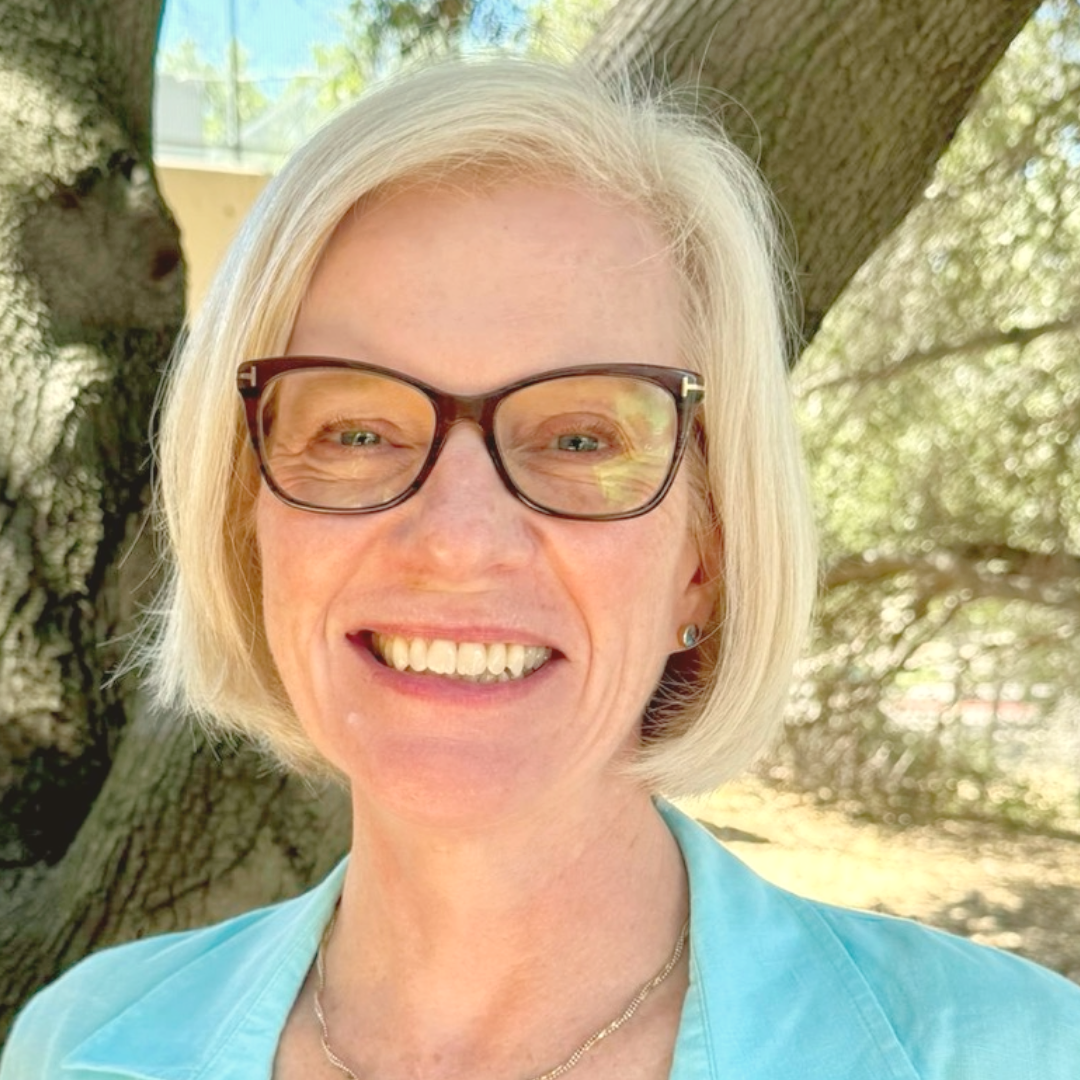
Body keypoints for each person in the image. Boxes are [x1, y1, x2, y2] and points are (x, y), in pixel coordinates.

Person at [2, 56, 1078, 1080]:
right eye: (356, 432)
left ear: (703, 563)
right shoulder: (80, 1045)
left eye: (581, 440)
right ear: (249, 528)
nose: (459, 539)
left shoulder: (1014, 1056)